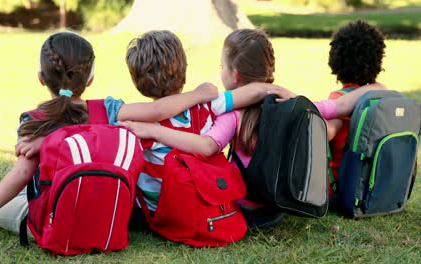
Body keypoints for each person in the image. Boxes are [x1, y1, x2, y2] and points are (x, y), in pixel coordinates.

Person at [0, 31, 219, 237]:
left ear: (41, 78)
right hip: (111, 214)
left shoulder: (34, 121)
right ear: (89, 79)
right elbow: (159, 109)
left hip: (54, 219)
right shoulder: (111, 110)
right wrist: (199, 94)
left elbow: (22, 174)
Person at [120, 28, 385, 228]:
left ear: (234, 75)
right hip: (277, 208)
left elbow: (208, 145)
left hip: (242, 210)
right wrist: (373, 88)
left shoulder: (230, 115)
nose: (220, 72)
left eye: (222, 66)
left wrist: (154, 131)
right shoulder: (288, 104)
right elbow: (339, 107)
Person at [121, 30, 291, 216]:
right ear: (184, 74)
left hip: (156, 209)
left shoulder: (136, 125)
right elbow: (256, 91)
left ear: (138, 84)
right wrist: (279, 91)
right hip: (198, 199)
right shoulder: (209, 106)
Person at [326, 20, 387, 200]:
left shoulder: (339, 99)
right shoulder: (381, 96)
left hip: (343, 186)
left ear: (335, 61)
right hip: (372, 184)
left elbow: (327, 132)